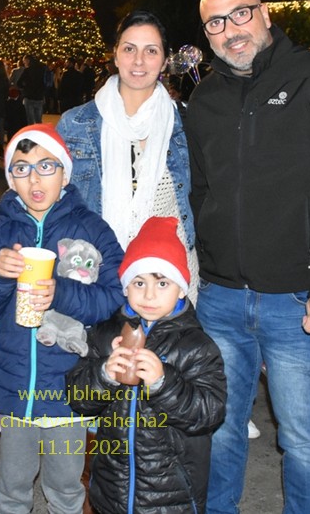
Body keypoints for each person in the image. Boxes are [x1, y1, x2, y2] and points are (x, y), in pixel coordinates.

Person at [187, 0, 310, 514]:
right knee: (221, 428)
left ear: (265, 13)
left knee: (300, 437)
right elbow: (201, 190)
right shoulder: (205, 99)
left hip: (299, 301)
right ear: (207, 35)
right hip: (222, 299)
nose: (231, 30)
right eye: (216, 22)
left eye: (240, 13)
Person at [0, 124, 126, 514]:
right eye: (21, 168)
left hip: (68, 392)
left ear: (65, 174)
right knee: (12, 485)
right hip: (15, 387)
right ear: (11, 179)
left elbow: (115, 297)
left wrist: (62, 292)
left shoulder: (92, 228)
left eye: (46, 166)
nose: (34, 179)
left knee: (66, 487)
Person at [66, 216, 227, 514]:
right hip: (111, 488)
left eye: (162, 283)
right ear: (126, 287)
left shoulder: (196, 346)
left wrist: (164, 384)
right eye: (139, 283)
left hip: (171, 495)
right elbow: (77, 398)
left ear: (181, 289)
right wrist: (104, 374)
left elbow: (209, 413)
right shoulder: (105, 334)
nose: (149, 295)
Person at [57, 10, 198, 302]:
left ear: (164, 60)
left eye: (151, 51)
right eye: (130, 49)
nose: (139, 61)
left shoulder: (185, 123)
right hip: (97, 275)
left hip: (168, 282)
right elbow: (50, 200)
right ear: (116, 54)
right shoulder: (76, 124)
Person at [17, 54, 47, 125]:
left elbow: (19, 83)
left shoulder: (27, 70)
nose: (24, 63)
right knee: (38, 119)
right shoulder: (42, 70)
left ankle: (31, 131)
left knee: (30, 119)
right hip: (39, 97)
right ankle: (39, 130)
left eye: (24, 61)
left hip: (29, 96)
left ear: (28, 60)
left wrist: (25, 87)